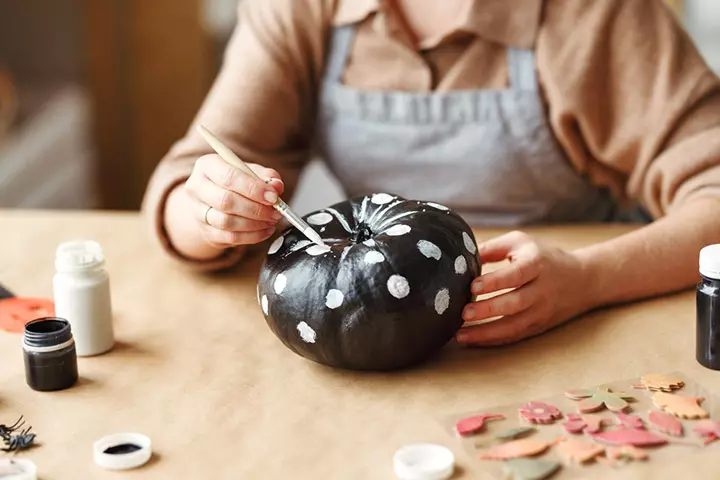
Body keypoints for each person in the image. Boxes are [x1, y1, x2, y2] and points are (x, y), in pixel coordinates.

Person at [142, 0, 720, 346]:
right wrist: (211, 209)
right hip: (374, 329)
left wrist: (588, 280)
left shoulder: (593, 14)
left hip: (565, 317)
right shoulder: (301, 8)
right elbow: (183, 182)